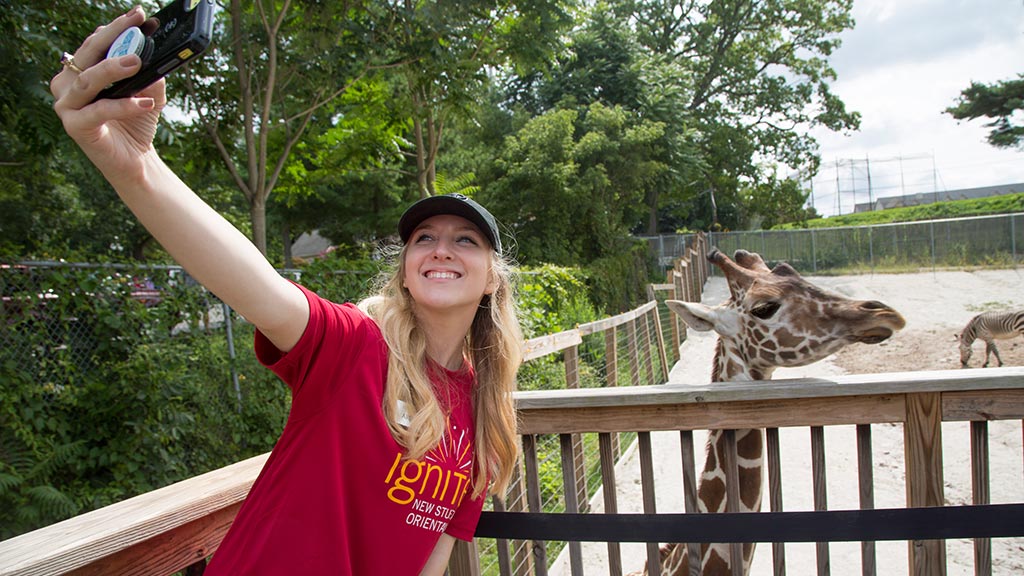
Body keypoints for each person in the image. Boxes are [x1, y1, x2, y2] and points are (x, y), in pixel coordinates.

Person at [50, 6, 523, 575]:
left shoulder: (485, 413)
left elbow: (436, 547)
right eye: (424, 237)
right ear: (405, 270)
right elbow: (254, 282)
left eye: (466, 241)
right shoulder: (355, 348)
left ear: (493, 277)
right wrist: (136, 165)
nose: (441, 249)